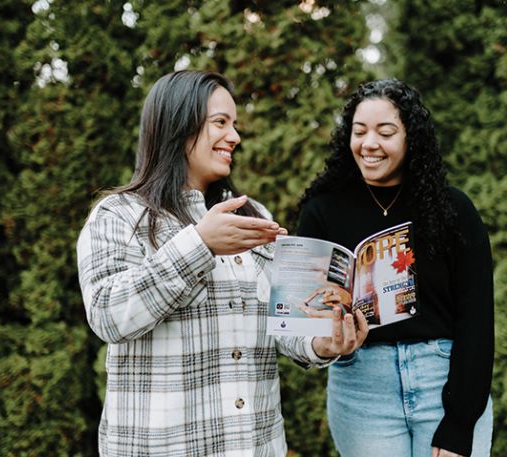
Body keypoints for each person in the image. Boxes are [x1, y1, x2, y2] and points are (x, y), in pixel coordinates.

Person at [76, 70, 368, 457]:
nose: (235, 137)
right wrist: (200, 244)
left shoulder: (251, 213)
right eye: (220, 123)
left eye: (234, 124)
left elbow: (283, 323)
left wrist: (323, 341)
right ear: (178, 127)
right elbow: (108, 316)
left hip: (255, 445)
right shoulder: (119, 216)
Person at [297, 79, 494, 457]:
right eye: (359, 131)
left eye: (385, 132)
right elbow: (305, 318)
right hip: (362, 390)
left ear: (410, 139)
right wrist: (326, 338)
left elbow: (478, 322)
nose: (369, 143)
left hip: (445, 382)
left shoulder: (454, 210)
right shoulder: (322, 211)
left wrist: (459, 424)